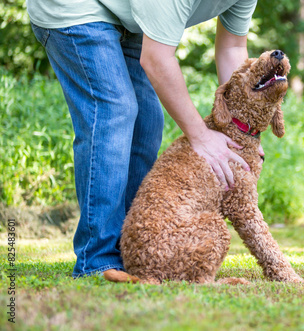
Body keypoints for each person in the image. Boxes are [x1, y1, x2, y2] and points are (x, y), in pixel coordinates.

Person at [26, 0, 260, 278]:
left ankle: (136, 254)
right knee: (114, 110)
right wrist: (201, 136)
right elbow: (156, 60)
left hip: (129, 20)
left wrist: (245, 132)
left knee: (149, 120)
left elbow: (232, 49)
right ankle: (97, 259)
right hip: (75, 9)